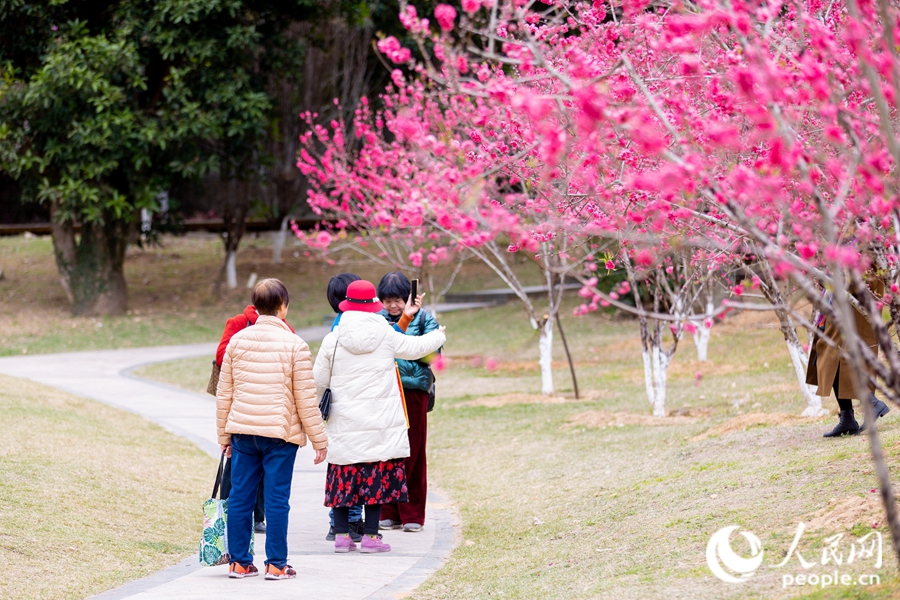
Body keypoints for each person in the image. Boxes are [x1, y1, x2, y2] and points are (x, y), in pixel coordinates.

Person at [314, 279, 445, 553]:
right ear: (374, 304)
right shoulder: (385, 334)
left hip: (343, 420)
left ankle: (341, 537)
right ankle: (372, 538)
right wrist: (439, 335)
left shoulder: (333, 339)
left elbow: (318, 381)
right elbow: (415, 348)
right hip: (377, 421)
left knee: (343, 473)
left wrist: (314, 412)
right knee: (374, 475)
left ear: (347, 305)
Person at [217, 278, 328, 579]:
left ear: (255, 306)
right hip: (280, 436)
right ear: (283, 307)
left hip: (242, 434)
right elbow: (306, 398)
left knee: (240, 497)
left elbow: (224, 392)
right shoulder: (296, 345)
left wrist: (224, 436)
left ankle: (239, 562)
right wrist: (319, 440)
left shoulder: (238, 341)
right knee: (277, 499)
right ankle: (277, 564)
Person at [215, 304, 293, 534]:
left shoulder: (284, 329)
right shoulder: (239, 322)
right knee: (237, 471)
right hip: (245, 405)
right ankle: (230, 514)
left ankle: (258, 516)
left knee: (265, 471)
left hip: (271, 408)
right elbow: (221, 356)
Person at [375, 272, 440, 533]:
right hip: (385, 393)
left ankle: (413, 513)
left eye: (398, 300)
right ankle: (390, 511)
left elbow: (434, 354)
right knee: (387, 453)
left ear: (408, 297)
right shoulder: (377, 321)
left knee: (413, 453)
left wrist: (410, 361)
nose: (392, 306)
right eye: (387, 301)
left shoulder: (425, 318)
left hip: (413, 392)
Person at [806, 286, 890, 437]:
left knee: (836, 354)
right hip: (838, 294)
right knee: (829, 355)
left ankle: (871, 403)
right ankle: (847, 418)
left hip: (851, 296)